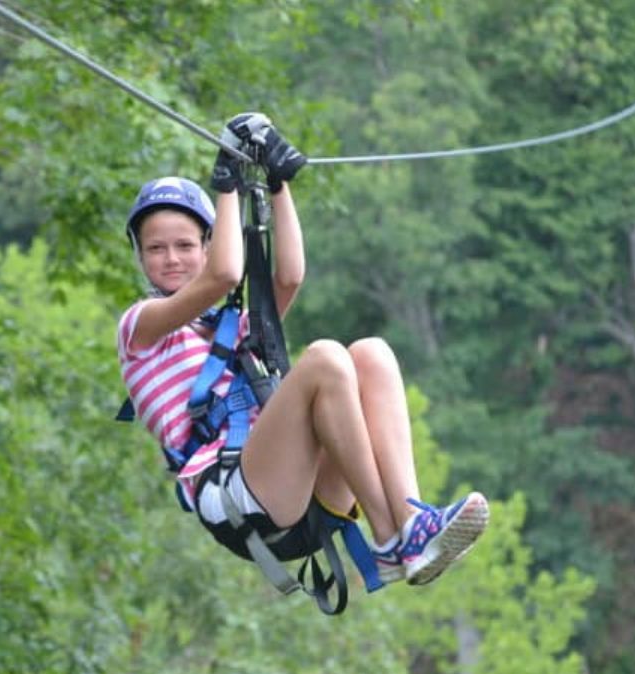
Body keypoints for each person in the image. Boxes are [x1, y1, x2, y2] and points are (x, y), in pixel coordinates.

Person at [116, 113, 488, 590]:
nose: (171, 259)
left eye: (185, 245)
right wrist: (226, 184)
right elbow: (226, 275)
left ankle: (407, 520)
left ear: (207, 246)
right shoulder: (139, 329)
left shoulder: (233, 328)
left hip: (298, 490)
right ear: (140, 256)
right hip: (234, 498)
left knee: (371, 353)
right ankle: (391, 535)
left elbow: (288, 278)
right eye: (156, 249)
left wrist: (276, 183)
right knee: (325, 359)